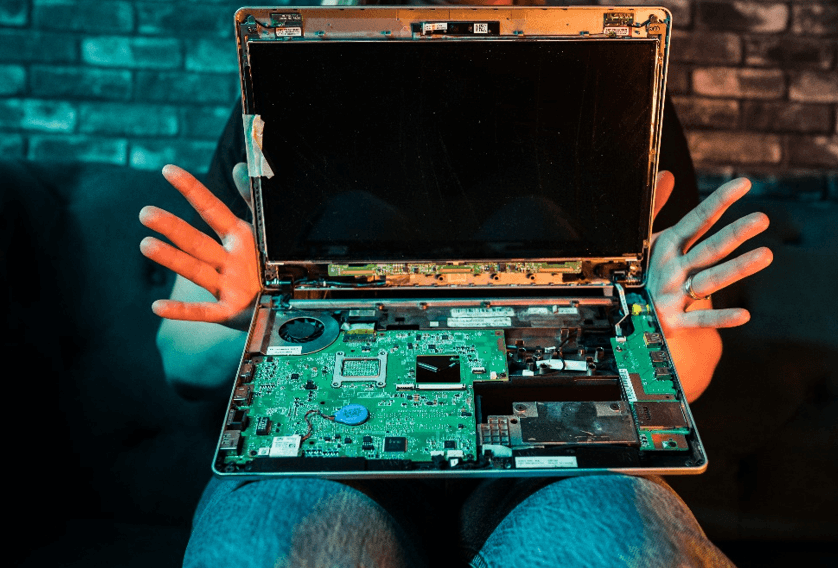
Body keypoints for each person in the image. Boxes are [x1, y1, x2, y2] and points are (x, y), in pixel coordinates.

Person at [138, 7, 773, 568]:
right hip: (323, 452)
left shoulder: (621, 88)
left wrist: (654, 334)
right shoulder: (289, 82)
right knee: (267, 551)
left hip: (554, 454)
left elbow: (691, 372)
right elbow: (183, 362)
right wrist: (257, 315)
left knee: (622, 551)